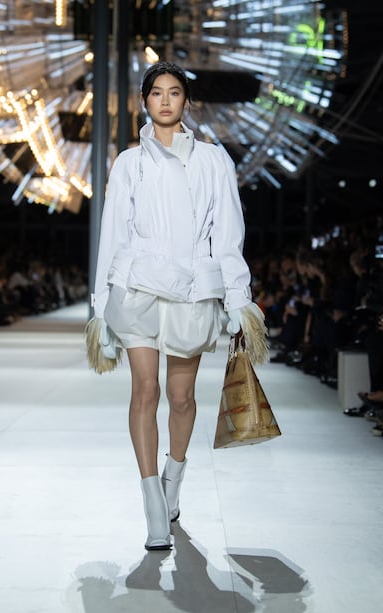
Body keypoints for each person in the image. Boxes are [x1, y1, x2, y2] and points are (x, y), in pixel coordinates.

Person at [86, 61, 268, 551]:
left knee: (182, 397)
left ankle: (173, 481)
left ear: (186, 101)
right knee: (145, 391)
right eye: (156, 92)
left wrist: (238, 296)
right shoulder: (129, 163)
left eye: (174, 92)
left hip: (192, 289)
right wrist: (101, 308)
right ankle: (152, 503)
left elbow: (228, 234)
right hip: (138, 288)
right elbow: (113, 235)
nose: (165, 100)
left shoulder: (214, 161)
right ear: (144, 101)